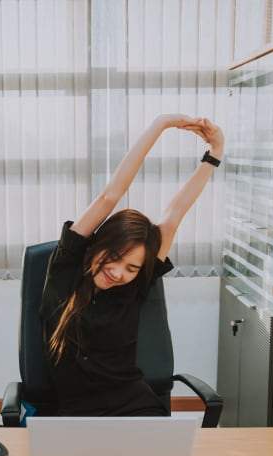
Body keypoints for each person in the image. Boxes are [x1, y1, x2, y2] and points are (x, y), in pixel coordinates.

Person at [40, 114, 224, 416]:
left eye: (132, 268)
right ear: (98, 245)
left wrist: (214, 154)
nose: (118, 272)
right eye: (113, 258)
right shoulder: (65, 268)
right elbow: (110, 194)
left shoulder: (135, 285)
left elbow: (174, 213)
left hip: (137, 410)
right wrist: (161, 124)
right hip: (76, 419)